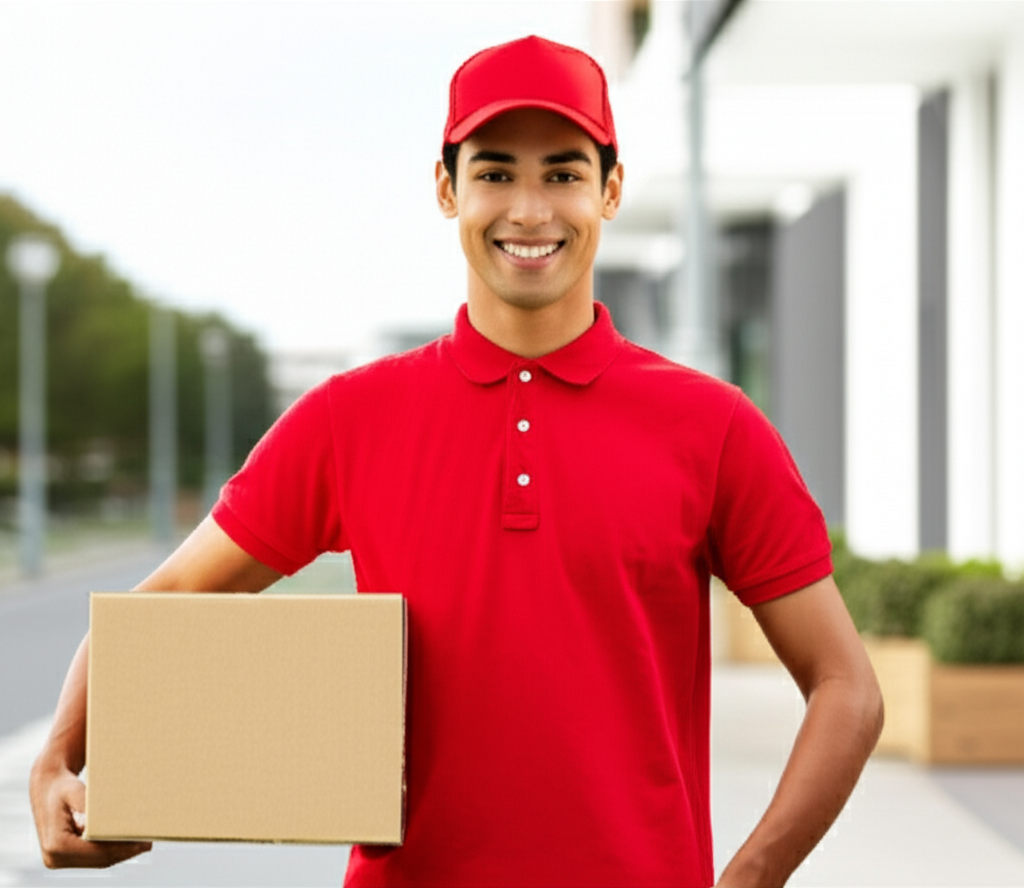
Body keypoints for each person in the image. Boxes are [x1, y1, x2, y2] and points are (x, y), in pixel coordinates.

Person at [31, 34, 883, 888]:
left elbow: (846, 688)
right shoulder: (348, 418)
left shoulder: (713, 426)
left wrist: (748, 881)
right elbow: (169, 603)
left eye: (563, 173)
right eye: (494, 171)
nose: (529, 209)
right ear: (447, 188)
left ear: (610, 190)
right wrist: (58, 758)